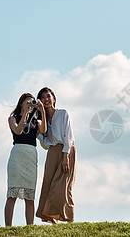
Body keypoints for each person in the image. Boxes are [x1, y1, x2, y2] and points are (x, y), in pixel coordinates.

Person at [35, 87, 77, 223]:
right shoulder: (42, 120)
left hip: (67, 150)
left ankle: (69, 218)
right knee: (48, 184)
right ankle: (52, 219)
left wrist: (66, 155)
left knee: (64, 186)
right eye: (43, 97)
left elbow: (68, 136)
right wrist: (40, 134)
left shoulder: (63, 113)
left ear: (54, 98)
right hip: (52, 152)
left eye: (48, 96)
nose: (46, 99)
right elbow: (45, 144)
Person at [4, 93, 47, 226]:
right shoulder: (13, 118)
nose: (30, 105)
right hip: (17, 155)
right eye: (27, 102)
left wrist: (42, 111)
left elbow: (44, 129)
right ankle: (8, 226)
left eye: (32, 102)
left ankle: (30, 226)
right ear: (21, 103)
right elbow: (18, 131)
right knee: (12, 194)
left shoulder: (36, 120)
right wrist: (25, 115)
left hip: (31, 155)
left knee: (30, 195)